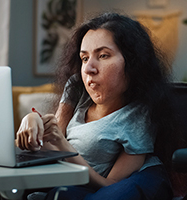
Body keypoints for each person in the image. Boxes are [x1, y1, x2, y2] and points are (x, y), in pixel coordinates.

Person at [16, 12, 182, 200]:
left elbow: (109, 184)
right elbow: (53, 140)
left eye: (103, 55)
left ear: (133, 63)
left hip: (133, 182)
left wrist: (62, 145)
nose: (88, 69)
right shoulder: (76, 88)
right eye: (84, 58)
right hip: (86, 184)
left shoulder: (140, 116)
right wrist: (33, 120)